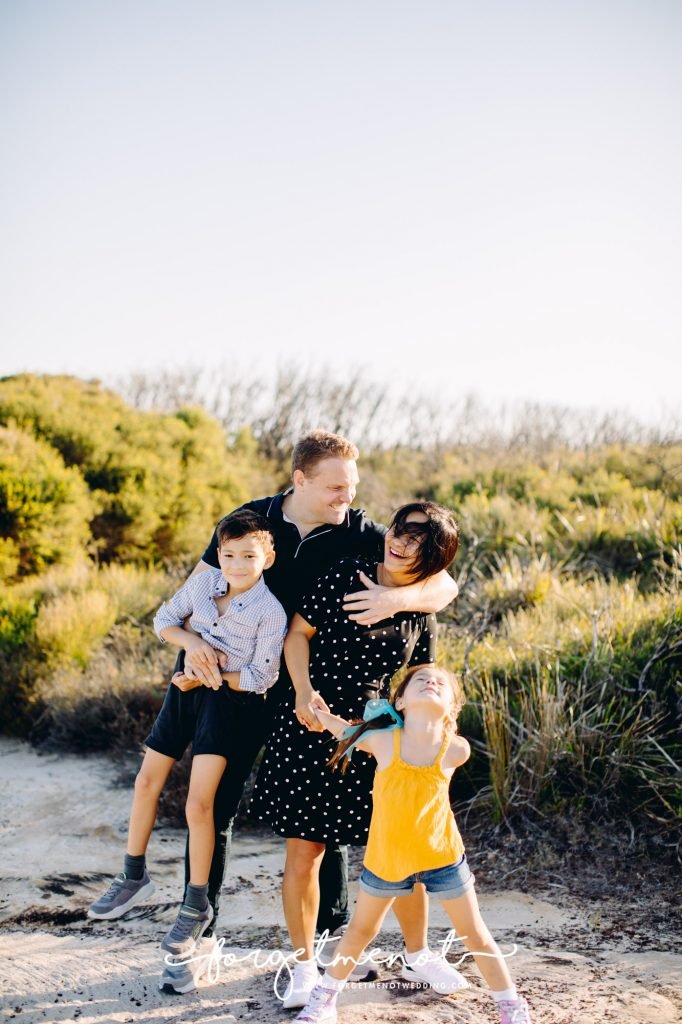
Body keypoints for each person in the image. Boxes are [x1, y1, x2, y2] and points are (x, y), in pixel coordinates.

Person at [165, 431, 459, 992]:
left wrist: (397, 600)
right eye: (336, 487)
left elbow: (443, 584)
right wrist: (190, 644)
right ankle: (201, 936)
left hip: (358, 723)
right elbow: (197, 594)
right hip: (252, 688)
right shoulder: (251, 520)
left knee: (353, 836)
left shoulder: (360, 535)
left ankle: (340, 943)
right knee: (221, 809)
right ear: (300, 479)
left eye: (352, 488)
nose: (347, 498)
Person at [251, 502, 464, 1008]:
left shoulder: (420, 608)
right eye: (400, 531)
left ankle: (418, 953)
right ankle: (304, 968)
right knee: (305, 852)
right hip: (310, 717)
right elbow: (297, 634)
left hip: (375, 733)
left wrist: (419, 738)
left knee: (400, 849)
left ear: (432, 559)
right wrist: (302, 692)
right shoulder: (346, 573)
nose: (400, 544)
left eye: (418, 543)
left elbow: (419, 679)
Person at [87, 510, 287, 962]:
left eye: (248, 556)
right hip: (183, 691)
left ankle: (196, 904)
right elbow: (164, 620)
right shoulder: (202, 585)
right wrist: (193, 645)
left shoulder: (270, 612)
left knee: (200, 806)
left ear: (267, 558)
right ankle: (133, 875)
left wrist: (209, 672)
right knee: (145, 783)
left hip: (226, 706)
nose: (237, 564)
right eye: (229, 554)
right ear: (218, 554)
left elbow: (261, 676)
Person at [292, 665, 533, 1024]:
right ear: (400, 701)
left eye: (441, 682)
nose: (431, 680)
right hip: (387, 860)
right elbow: (344, 730)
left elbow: (443, 733)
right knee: (360, 933)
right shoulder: (384, 741)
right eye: (420, 680)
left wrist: (443, 722)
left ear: (452, 707)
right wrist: (318, 713)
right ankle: (324, 999)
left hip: (443, 857)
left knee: (475, 934)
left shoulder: (456, 749)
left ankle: (511, 1006)